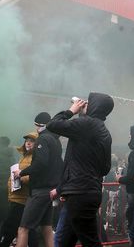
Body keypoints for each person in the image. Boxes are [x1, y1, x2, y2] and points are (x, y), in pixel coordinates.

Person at [46, 92, 114, 247]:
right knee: (64, 242)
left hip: (80, 193)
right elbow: (105, 168)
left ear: (95, 106)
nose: (85, 104)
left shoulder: (88, 125)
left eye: (89, 103)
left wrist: (71, 110)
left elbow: (52, 124)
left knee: (90, 242)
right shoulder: (102, 130)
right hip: (88, 191)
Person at [13, 112, 63, 247]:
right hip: (51, 190)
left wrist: (22, 172)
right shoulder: (56, 141)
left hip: (40, 191)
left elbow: (41, 163)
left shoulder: (43, 139)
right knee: (46, 228)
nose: (36, 128)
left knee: (23, 228)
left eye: (37, 125)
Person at [0, 131, 39, 247]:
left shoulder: (35, 158)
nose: (28, 143)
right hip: (18, 198)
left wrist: (20, 178)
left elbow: (35, 177)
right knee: (27, 230)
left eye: (32, 141)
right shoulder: (25, 157)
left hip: (22, 199)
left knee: (9, 228)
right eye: (27, 141)